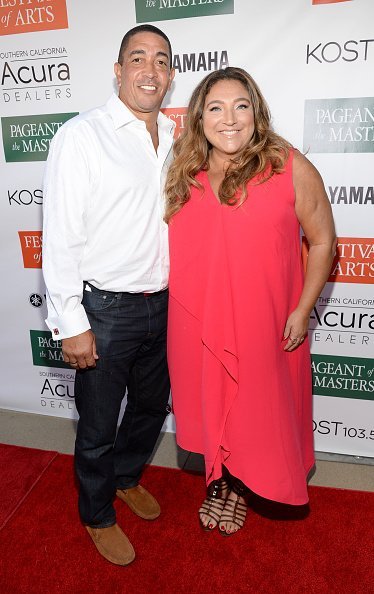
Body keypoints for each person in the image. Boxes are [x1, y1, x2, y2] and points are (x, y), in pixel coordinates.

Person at [165, 67, 336, 536]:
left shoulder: (287, 165)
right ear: (199, 118)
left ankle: (240, 486)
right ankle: (220, 482)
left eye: (241, 106)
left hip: (263, 320)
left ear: (256, 113)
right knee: (213, 405)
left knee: (256, 411)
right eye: (215, 108)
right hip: (196, 321)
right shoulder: (185, 171)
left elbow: (323, 242)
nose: (230, 119)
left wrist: (302, 309)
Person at [42, 24, 175, 565]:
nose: (150, 70)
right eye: (137, 58)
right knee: (97, 425)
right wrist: (69, 319)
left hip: (164, 303)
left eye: (161, 60)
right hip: (106, 309)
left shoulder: (175, 137)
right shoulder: (82, 135)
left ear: (170, 76)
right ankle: (96, 512)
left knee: (148, 408)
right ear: (118, 71)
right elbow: (62, 234)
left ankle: (124, 477)